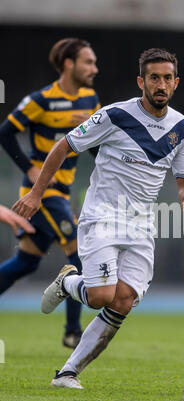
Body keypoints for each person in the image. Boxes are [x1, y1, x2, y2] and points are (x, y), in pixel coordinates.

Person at [12, 48, 184, 389]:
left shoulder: (182, 128)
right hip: (103, 217)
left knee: (123, 300)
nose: (161, 84)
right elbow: (63, 146)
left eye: (167, 78)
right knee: (99, 296)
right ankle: (69, 282)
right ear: (141, 81)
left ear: (176, 83)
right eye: (154, 77)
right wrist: (36, 192)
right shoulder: (114, 116)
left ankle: (67, 374)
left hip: (142, 225)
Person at [0, 38, 100, 348]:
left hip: (64, 191)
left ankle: (72, 328)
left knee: (26, 262)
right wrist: (31, 170)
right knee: (79, 255)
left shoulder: (90, 99)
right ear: (69, 64)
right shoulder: (39, 100)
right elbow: (5, 132)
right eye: (88, 62)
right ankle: (73, 332)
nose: (95, 69)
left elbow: (97, 147)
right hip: (41, 194)